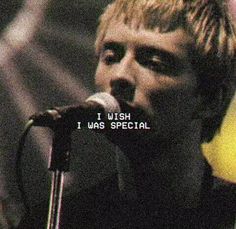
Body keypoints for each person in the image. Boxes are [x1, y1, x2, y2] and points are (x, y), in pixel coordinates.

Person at [18, 0, 236, 228]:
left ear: (211, 99)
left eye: (153, 63)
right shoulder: (55, 220)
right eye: (111, 58)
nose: (120, 76)